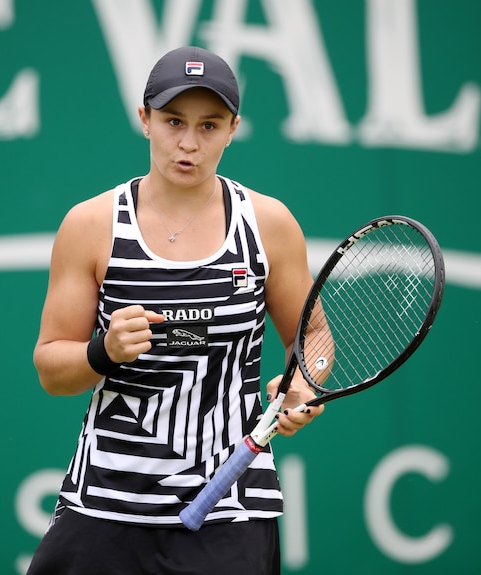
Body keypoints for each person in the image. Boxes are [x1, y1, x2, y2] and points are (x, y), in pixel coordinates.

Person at [27, 46, 325, 575]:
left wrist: (303, 384)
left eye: (209, 126)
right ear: (144, 120)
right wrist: (103, 351)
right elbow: (52, 369)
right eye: (172, 122)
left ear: (234, 128)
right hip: (106, 503)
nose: (188, 143)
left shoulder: (269, 224)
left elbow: (314, 338)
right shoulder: (91, 225)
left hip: (232, 507)